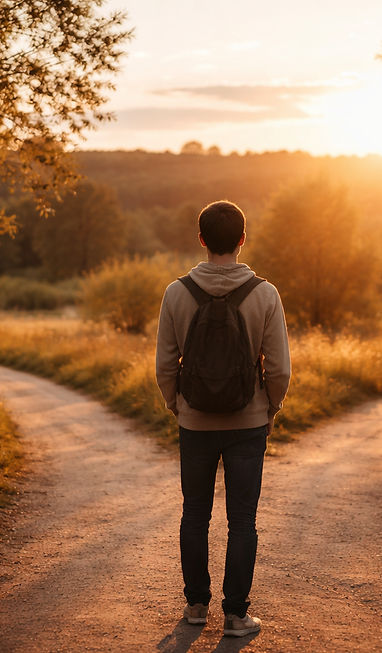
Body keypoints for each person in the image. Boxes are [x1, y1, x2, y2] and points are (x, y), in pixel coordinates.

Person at [155, 200, 291, 637]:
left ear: (201, 240)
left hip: (194, 424)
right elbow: (279, 369)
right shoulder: (265, 294)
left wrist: (177, 405)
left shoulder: (177, 293)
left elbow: (164, 365)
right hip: (247, 424)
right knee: (242, 520)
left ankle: (195, 606)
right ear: (242, 240)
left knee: (194, 513)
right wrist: (268, 407)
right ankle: (235, 615)